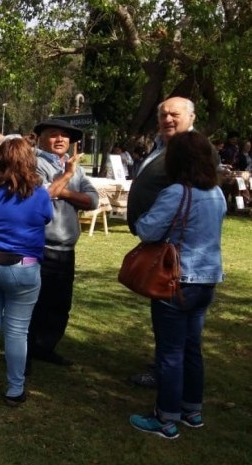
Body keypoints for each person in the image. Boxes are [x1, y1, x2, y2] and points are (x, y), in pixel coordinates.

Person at [129, 131, 226, 439]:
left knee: (170, 351)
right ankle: (191, 410)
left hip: (177, 280)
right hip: (207, 279)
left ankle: (166, 418)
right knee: (191, 347)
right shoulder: (217, 194)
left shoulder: (176, 192)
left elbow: (147, 230)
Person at [0, 136, 53, 406]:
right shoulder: (38, 193)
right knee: (17, 332)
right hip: (23, 267)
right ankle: (15, 389)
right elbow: (47, 218)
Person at [127, 97, 198, 388]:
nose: (168, 119)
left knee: (174, 317)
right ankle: (166, 364)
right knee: (166, 317)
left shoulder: (193, 152)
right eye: (163, 115)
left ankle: (166, 372)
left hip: (175, 251)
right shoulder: (162, 147)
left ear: (191, 117)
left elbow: (190, 201)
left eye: (175, 114)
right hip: (159, 244)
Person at [27, 119, 99, 368]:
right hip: (40, 246)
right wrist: (66, 177)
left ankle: (45, 347)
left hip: (67, 248)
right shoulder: (33, 164)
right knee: (35, 302)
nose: (60, 140)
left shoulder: (73, 165)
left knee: (60, 304)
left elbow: (93, 200)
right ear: (40, 138)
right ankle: (25, 352)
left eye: (65, 136)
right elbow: (43, 195)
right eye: (54, 135)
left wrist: (65, 190)